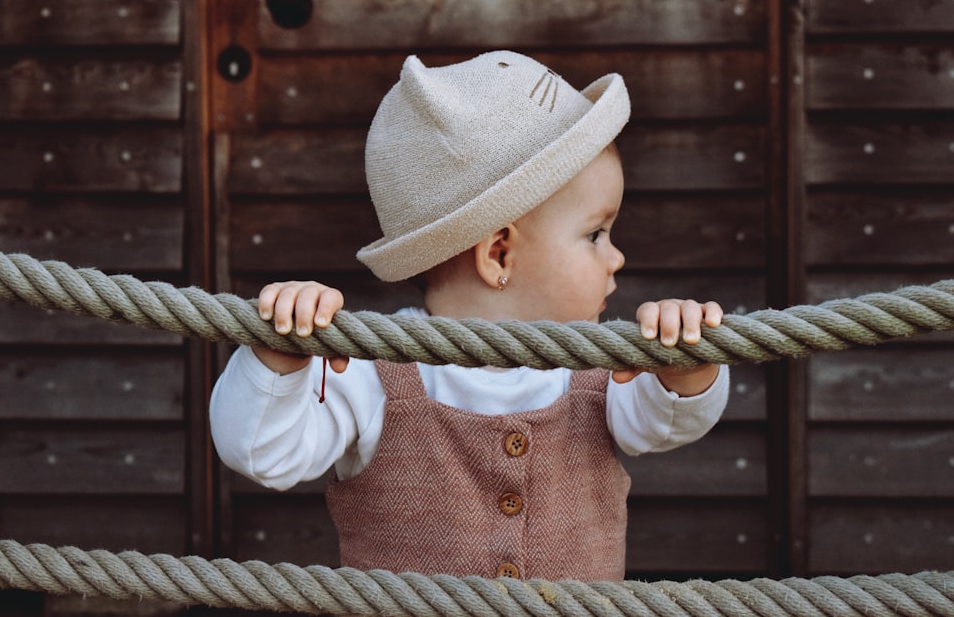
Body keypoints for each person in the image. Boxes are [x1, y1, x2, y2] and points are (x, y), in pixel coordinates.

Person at [210, 50, 729, 583]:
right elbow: (260, 453)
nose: (616, 257)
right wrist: (277, 356)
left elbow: (670, 420)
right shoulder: (368, 370)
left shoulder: (604, 369)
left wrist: (684, 363)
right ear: (498, 254)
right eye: (596, 233)